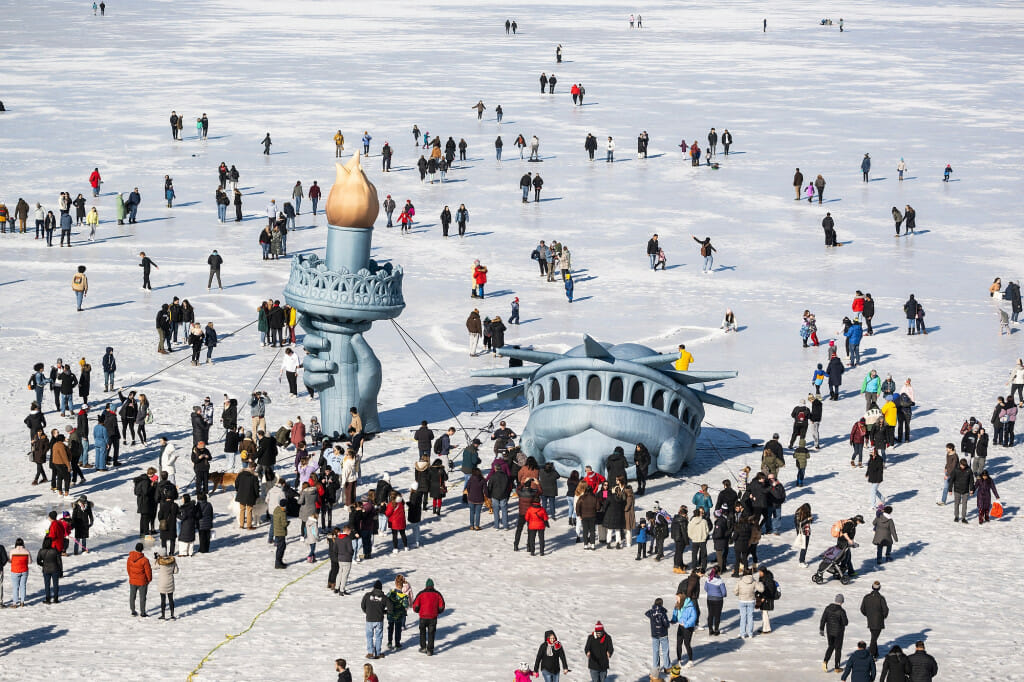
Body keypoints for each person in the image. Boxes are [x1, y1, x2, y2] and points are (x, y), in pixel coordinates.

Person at [412, 577, 445, 655]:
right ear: (433, 586)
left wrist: (418, 611)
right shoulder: (437, 594)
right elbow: (441, 606)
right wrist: (437, 612)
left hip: (423, 617)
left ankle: (423, 647)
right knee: (431, 633)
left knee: (422, 632)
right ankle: (430, 649)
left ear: (426, 586)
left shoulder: (421, 594)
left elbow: (415, 605)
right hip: (433, 617)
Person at [860, 580, 888, 659]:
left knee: (874, 637)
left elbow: (862, 609)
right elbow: (885, 610)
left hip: (870, 621)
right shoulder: (881, 598)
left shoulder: (866, 597)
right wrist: (883, 617)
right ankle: (871, 654)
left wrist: (868, 615)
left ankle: (876, 653)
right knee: (874, 639)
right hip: (878, 622)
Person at [821, 594, 849, 673]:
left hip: (829, 632)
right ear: (842, 601)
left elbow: (823, 619)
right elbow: (845, 622)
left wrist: (821, 629)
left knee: (831, 646)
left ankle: (825, 661)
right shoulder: (841, 611)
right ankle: (837, 667)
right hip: (838, 633)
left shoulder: (827, 608)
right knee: (838, 649)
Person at [361, 579, 388, 658]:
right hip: (379, 620)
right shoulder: (384, 597)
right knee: (378, 636)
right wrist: (384, 612)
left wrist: (367, 612)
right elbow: (391, 608)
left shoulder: (367, 595)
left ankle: (370, 652)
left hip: (369, 619)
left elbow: (363, 606)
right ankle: (378, 653)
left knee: (369, 636)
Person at [644, 597, 671, 675]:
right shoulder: (662, 613)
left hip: (654, 635)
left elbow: (647, 613)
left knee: (655, 651)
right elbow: (666, 623)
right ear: (661, 604)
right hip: (663, 634)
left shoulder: (651, 612)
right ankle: (667, 667)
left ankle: (656, 667)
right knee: (665, 651)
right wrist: (668, 625)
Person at [127, 542, 153, 616]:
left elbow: (128, 569)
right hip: (142, 581)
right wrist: (149, 579)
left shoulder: (130, 558)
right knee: (142, 598)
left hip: (132, 580)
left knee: (132, 596)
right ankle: (143, 612)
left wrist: (131, 576)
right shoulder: (145, 560)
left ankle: (132, 610)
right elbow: (148, 571)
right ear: (142, 549)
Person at [734, 570, 761, 638]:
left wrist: (739, 594)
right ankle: (750, 633)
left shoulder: (740, 581)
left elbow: (735, 592)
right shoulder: (753, 581)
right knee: (750, 617)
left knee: (743, 617)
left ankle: (742, 633)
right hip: (751, 600)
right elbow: (761, 589)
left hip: (742, 600)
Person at [948, 458, 975, 523]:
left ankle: (963, 518)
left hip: (965, 490)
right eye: (962, 465)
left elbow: (971, 480)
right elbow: (951, 480)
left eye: (965, 466)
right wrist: (950, 489)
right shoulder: (955, 470)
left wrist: (971, 489)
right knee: (956, 503)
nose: (963, 467)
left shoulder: (969, 470)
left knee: (964, 504)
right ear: (960, 464)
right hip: (957, 489)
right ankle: (956, 517)